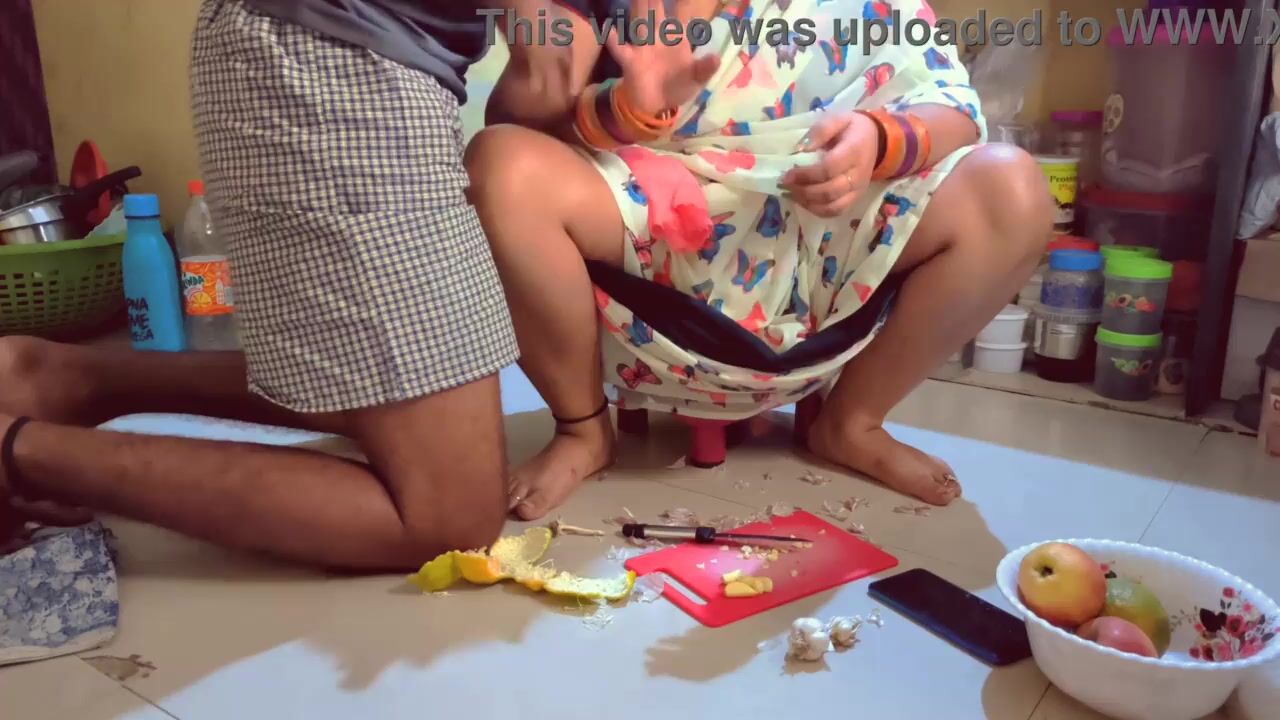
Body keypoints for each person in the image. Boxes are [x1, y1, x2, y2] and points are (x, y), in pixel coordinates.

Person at [0, 0, 565, 568]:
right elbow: (547, 73)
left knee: (401, 390)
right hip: (338, 70)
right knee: (449, 514)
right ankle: (16, 450)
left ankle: (63, 381)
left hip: (320, 52)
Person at [466, 0, 1054, 521]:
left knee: (1012, 189)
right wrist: (624, 110)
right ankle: (582, 429)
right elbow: (522, 120)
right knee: (500, 166)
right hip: (650, 223)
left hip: (827, 236)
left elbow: (953, 106)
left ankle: (852, 421)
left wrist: (877, 141)